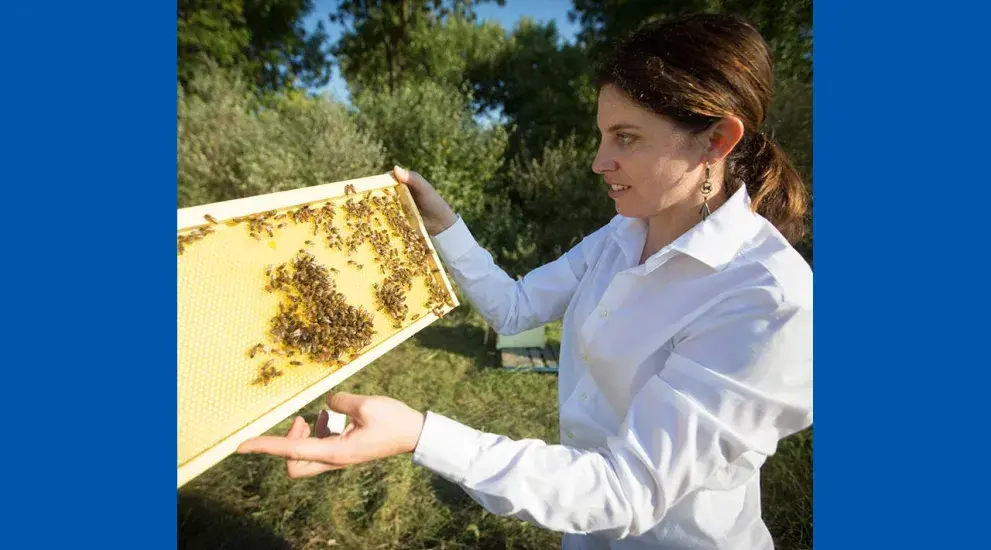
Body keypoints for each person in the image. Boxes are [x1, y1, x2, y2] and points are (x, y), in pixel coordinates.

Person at [238, 13, 813, 550]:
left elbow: (626, 487)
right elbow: (514, 309)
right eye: (602, 134)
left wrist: (419, 435)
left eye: (626, 137)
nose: (598, 160)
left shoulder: (769, 299)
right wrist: (445, 226)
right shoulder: (620, 234)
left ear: (717, 140)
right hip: (582, 532)